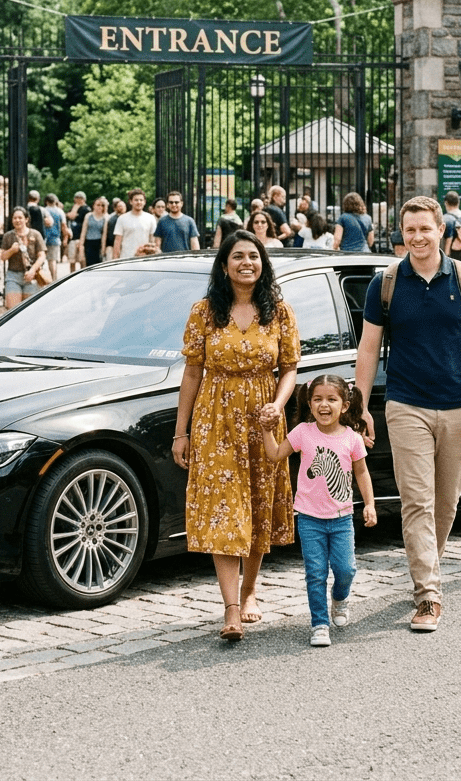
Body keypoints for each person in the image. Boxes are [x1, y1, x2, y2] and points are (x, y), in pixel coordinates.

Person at [354, 195, 461, 632]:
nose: (416, 237)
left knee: (446, 503)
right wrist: (360, 406)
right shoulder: (387, 282)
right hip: (405, 404)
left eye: (424, 229)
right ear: (402, 232)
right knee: (417, 501)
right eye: (409, 230)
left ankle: (427, 565)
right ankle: (428, 595)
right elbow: (369, 348)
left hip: (457, 406)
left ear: (441, 232)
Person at [172, 231, 300, 641]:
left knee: (259, 505)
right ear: (224, 265)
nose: (247, 262)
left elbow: (290, 368)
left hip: (262, 419)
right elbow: (192, 372)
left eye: (254, 256)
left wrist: (278, 405)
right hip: (215, 419)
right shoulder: (205, 312)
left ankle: (249, 593)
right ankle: (229, 609)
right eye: (238, 256)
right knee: (225, 508)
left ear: (263, 263)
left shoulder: (278, 311)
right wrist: (182, 432)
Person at [259, 375, 377, 647]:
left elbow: (361, 472)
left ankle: (340, 597)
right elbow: (276, 455)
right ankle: (319, 624)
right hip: (310, 519)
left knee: (346, 569)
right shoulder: (302, 432)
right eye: (318, 399)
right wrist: (267, 430)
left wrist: (369, 504)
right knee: (315, 572)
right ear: (310, 404)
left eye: (332, 399)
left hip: (342, 519)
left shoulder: (352, 438)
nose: (324, 405)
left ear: (345, 406)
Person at [0, 206, 47, 308]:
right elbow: (2, 257)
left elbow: (42, 255)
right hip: (13, 276)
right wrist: (12, 250)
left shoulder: (35, 234)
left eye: (20, 218)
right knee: (13, 310)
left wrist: (33, 270)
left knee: (30, 309)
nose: (17, 220)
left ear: (26, 219)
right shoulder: (8, 236)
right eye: (14, 218)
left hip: (31, 276)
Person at [113, 188, 157, 259]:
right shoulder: (122, 218)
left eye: (141, 200)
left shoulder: (150, 218)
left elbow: (152, 240)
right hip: (126, 258)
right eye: (136, 200)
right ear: (131, 202)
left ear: (144, 202)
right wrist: (115, 260)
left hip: (145, 258)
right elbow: (117, 241)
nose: (139, 202)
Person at [43, 194, 68, 279]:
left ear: (46, 201)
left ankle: (43, 280)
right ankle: (54, 279)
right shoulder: (60, 212)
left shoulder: (43, 210)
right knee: (53, 260)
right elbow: (64, 226)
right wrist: (65, 238)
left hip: (44, 238)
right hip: (55, 238)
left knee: (41, 260)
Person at [79, 196, 108, 268]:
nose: (100, 207)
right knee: (88, 265)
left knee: (98, 265)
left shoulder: (105, 217)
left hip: (98, 243)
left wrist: (103, 248)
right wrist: (81, 246)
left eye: (102, 205)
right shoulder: (88, 216)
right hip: (88, 242)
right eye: (98, 205)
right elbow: (83, 232)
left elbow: (104, 234)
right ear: (94, 206)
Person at [65, 191, 90, 273]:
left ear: (84, 199)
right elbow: (69, 216)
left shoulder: (86, 209)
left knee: (82, 259)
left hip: (81, 238)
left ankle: (83, 275)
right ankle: (72, 275)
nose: (78, 200)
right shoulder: (73, 207)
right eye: (77, 198)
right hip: (72, 238)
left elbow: (71, 216)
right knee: (72, 260)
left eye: (80, 198)